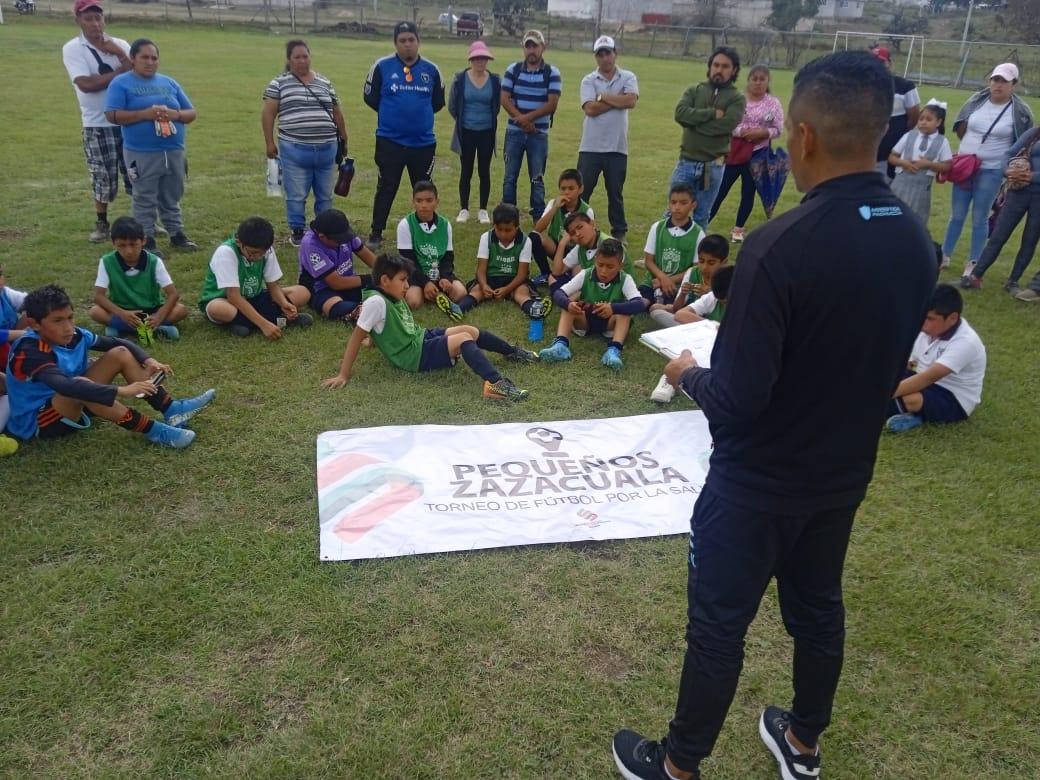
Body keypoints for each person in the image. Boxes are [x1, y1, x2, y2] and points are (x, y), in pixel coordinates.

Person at [611, 51, 936, 780]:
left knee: (720, 628)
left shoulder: (778, 246)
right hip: (842, 478)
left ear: (805, 136)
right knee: (817, 610)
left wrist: (690, 374)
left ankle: (677, 765)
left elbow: (740, 404)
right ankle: (803, 742)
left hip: (755, 487)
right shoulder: (917, 242)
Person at [4, 285, 215, 449]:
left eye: (70, 317)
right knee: (80, 384)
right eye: (57, 320)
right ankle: (155, 432)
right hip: (40, 422)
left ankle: (173, 410)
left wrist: (148, 360)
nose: (68, 327)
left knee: (119, 354)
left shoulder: (75, 335)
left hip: (74, 402)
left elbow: (119, 344)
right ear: (34, 324)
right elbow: (66, 387)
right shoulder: (30, 350)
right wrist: (122, 390)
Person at [321, 253, 536, 401]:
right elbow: (356, 337)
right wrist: (343, 375)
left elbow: (374, 330)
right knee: (463, 340)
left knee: (468, 329)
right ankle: (496, 384)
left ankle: (512, 352)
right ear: (385, 280)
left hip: (419, 338)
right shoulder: (376, 302)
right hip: (414, 355)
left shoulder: (387, 294)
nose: (407, 285)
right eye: (403, 280)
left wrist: (373, 339)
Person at [104, 38, 198, 258]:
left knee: (172, 194)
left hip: (173, 149)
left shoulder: (169, 83)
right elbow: (111, 115)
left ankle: (176, 234)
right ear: (133, 59)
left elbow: (191, 113)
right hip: (141, 152)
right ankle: (146, 238)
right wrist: (142, 115)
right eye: (144, 57)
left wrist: (175, 115)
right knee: (144, 196)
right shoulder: (121, 83)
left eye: (154, 58)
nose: (150, 62)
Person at [943, 63, 1034, 274]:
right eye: (995, 79)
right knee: (956, 214)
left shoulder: (1020, 111)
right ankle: (944, 255)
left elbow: (1024, 142)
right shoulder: (976, 100)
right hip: (965, 167)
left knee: (980, 216)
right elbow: (961, 126)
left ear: (1014, 84)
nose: (998, 85)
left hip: (992, 170)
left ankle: (973, 262)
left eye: (1004, 81)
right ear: (989, 81)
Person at [363, 22, 446, 249]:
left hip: (423, 144)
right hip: (390, 142)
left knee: (424, 189)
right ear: (395, 43)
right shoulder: (381, 67)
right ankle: (376, 232)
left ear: (418, 41)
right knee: (386, 186)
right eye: (402, 40)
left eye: (411, 39)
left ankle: (426, 231)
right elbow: (370, 98)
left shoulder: (432, 70)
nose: (407, 44)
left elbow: (438, 103)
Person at [262, 39, 349, 247]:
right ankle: (298, 230)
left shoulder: (324, 82)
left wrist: (344, 138)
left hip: (327, 148)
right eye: (297, 57)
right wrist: (269, 143)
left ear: (310, 56)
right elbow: (268, 114)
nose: (302, 61)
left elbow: (336, 112)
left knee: (325, 195)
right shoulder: (279, 84)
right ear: (289, 60)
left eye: (305, 56)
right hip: (294, 149)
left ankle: (325, 228)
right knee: (296, 194)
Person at [62, 0, 133, 243]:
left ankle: (143, 220)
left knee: (137, 173)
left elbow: (139, 74)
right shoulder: (73, 49)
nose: (94, 23)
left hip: (127, 120)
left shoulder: (120, 44)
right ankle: (102, 224)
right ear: (78, 21)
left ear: (104, 19)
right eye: (88, 18)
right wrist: (120, 73)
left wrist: (120, 54)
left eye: (98, 18)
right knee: (102, 176)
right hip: (96, 123)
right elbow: (86, 84)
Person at [887, 283, 986, 433]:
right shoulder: (926, 330)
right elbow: (912, 363)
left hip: (952, 397)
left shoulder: (966, 342)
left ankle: (910, 413)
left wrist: (881, 394)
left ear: (952, 318)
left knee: (912, 399)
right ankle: (912, 415)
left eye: (929, 318)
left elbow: (927, 378)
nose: (922, 321)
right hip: (922, 377)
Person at [670, 47, 746, 231]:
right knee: (673, 212)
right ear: (710, 66)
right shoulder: (694, 90)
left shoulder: (737, 98)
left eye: (725, 66)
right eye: (716, 65)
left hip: (713, 166)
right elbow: (680, 114)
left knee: (702, 216)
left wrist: (694, 124)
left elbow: (726, 125)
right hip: (686, 162)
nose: (719, 70)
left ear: (734, 70)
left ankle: (697, 258)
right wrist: (712, 113)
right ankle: (660, 255)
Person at [199, 216, 313, 338]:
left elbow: (273, 285)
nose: (258, 257)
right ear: (239, 242)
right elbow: (233, 296)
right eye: (253, 253)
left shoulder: (266, 250)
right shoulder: (226, 252)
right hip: (226, 300)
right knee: (218, 309)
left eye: (262, 253)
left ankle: (244, 324)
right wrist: (264, 325)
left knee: (303, 292)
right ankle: (276, 321)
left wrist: (283, 303)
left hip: (254, 297)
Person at [539, 238, 645, 369]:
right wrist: (568, 304)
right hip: (585, 321)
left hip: (610, 325)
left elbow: (639, 304)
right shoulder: (586, 274)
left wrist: (613, 308)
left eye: (610, 266)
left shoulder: (625, 279)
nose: (604, 271)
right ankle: (560, 345)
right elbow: (559, 293)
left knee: (624, 313)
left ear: (620, 266)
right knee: (569, 306)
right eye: (600, 265)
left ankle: (614, 351)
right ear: (595, 261)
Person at [709, 64, 784, 242]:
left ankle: (738, 229)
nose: (758, 83)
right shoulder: (738, 100)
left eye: (762, 79)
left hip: (758, 156)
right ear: (748, 80)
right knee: (720, 189)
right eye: (754, 79)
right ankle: (703, 221)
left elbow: (778, 128)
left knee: (748, 192)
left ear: (768, 81)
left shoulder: (773, 103)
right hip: (735, 152)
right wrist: (743, 132)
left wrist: (763, 133)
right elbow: (729, 122)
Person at [961, 125, 1040, 294]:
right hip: (1019, 191)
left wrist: (1033, 176)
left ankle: (1013, 281)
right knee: (999, 234)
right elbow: (1009, 153)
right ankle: (976, 276)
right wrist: (1007, 170)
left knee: (1030, 239)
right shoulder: (1035, 132)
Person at [577, 35, 639, 241]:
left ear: (615, 53)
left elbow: (631, 101)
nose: (605, 58)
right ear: (596, 57)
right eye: (600, 54)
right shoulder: (588, 80)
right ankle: (576, 227)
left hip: (617, 148)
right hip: (590, 148)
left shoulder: (628, 76)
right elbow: (590, 109)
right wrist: (616, 99)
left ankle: (619, 232)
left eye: (608, 53)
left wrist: (602, 96)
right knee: (582, 193)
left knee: (615, 194)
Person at [88, 216, 189, 341]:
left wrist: (158, 316)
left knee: (181, 310)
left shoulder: (154, 261)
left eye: (133, 244)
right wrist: (122, 314)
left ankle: (122, 330)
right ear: (113, 243)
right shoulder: (107, 261)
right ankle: (156, 330)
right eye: (122, 245)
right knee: (95, 312)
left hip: (152, 310)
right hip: (122, 310)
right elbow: (99, 296)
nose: (128, 251)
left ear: (143, 241)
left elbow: (173, 294)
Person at [649, 265, 734, 404]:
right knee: (657, 312)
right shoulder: (714, 297)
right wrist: (711, 325)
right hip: (708, 336)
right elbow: (681, 314)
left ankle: (672, 376)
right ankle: (676, 370)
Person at [501, 30, 562, 221]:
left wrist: (526, 119)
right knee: (510, 177)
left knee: (537, 178)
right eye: (528, 46)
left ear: (543, 47)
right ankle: (508, 216)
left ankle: (538, 216)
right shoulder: (513, 70)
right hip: (515, 133)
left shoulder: (552, 72)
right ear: (523, 49)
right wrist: (523, 120)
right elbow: (504, 99)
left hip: (539, 134)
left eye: (535, 46)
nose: (531, 50)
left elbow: (552, 103)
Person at [464, 203, 552, 318]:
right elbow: (481, 270)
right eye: (499, 229)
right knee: (477, 290)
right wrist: (485, 285)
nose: (503, 234)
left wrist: (506, 289)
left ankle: (535, 310)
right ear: (493, 225)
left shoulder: (525, 241)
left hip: (515, 280)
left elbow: (522, 274)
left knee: (522, 293)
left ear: (517, 227)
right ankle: (458, 309)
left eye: (508, 230)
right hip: (491, 278)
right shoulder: (486, 238)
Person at [395, 180, 468, 319]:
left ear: (437, 201)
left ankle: (434, 292)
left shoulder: (445, 224)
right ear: (413, 202)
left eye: (429, 200)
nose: (424, 205)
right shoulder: (405, 225)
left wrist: (445, 277)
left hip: (438, 273)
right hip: (415, 274)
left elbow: (448, 257)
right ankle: (429, 292)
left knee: (461, 293)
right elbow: (408, 262)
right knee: (413, 301)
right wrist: (425, 282)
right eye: (419, 200)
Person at [448, 40, 501, 225]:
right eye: (477, 58)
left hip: (486, 132)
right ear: (471, 59)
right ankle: (464, 209)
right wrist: (465, 121)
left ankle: (483, 210)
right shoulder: (460, 79)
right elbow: (453, 106)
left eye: (484, 58)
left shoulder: (495, 80)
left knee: (484, 171)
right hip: (467, 132)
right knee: (466, 171)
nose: (480, 62)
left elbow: (496, 106)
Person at [297, 208, 376, 322]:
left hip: (349, 283)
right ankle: (359, 310)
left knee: (385, 287)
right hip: (321, 289)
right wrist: (369, 279)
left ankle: (367, 306)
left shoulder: (342, 231)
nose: (343, 241)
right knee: (336, 307)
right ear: (322, 236)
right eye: (339, 240)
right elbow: (335, 283)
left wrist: (385, 272)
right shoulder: (310, 244)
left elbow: (365, 253)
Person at [888, 100, 953, 231]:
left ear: (939, 122)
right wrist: (903, 163)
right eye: (921, 119)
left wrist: (929, 164)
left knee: (915, 221)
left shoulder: (942, 142)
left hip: (921, 189)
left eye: (928, 119)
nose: (923, 122)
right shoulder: (909, 136)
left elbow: (947, 166)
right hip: (900, 185)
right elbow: (892, 157)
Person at [641, 184, 705, 306]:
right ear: (669, 204)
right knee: (641, 303)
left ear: (693, 205)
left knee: (672, 306)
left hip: (679, 286)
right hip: (653, 281)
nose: (677, 207)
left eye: (683, 203)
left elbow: (696, 269)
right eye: (673, 202)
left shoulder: (698, 234)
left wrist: (669, 281)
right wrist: (662, 278)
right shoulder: (657, 227)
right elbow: (648, 261)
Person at [647, 234, 728, 326]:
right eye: (701, 261)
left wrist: (711, 292)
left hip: (715, 323)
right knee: (655, 308)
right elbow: (676, 309)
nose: (705, 267)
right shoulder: (692, 273)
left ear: (724, 263)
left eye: (711, 263)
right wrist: (683, 294)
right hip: (689, 316)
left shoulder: (727, 279)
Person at [530, 168, 593, 284]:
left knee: (579, 279)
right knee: (534, 236)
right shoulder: (554, 204)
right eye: (563, 188)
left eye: (571, 188)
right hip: (556, 248)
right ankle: (546, 273)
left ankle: (566, 274)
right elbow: (537, 229)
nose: (566, 192)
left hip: (576, 253)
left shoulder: (587, 210)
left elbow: (590, 240)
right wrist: (555, 208)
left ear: (581, 189)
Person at [872, 46, 920, 180]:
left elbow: (914, 118)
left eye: (881, 62)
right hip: (870, 152)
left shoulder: (905, 86)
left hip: (894, 150)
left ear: (889, 63)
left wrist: (897, 132)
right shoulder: (863, 85)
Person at [555, 211, 634, 289]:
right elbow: (557, 271)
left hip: (616, 291)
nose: (577, 234)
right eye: (573, 233)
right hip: (597, 289)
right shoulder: (580, 248)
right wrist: (562, 244)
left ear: (592, 224)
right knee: (553, 279)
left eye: (580, 227)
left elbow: (606, 282)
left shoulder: (609, 246)